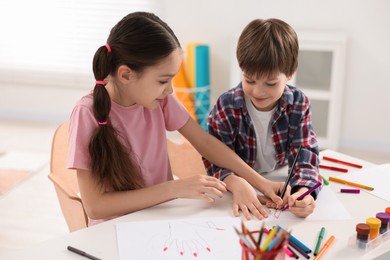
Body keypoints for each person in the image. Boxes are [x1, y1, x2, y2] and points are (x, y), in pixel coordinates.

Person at [66, 12, 284, 226]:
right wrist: (175, 188)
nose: (170, 90)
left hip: (162, 218)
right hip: (114, 231)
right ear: (126, 75)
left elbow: (206, 143)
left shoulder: (159, 99)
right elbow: (95, 206)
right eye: (163, 81)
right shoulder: (87, 114)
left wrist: (260, 182)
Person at [203, 18, 322, 218]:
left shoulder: (298, 103)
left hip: (280, 177)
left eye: (271, 83)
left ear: (290, 73)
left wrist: (304, 191)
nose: (258, 91)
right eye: (249, 79)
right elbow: (213, 159)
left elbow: (305, 155)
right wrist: (233, 181)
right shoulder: (227, 105)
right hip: (239, 183)